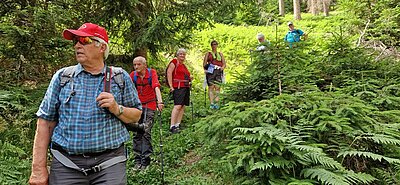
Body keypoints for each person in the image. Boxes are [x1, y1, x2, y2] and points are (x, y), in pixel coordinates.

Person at [29, 23, 142, 185]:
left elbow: (136, 115)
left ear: (102, 47)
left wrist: (117, 108)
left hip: (110, 164)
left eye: (84, 40)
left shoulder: (120, 77)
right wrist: (38, 169)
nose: (77, 45)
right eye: (75, 40)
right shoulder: (62, 77)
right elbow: (45, 122)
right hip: (66, 165)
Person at [129, 56, 163, 170]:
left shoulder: (151, 73)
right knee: (137, 133)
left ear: (144, 65)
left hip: (150, 105)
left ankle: (146, 161)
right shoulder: (133, 75)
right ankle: (137, 160)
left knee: (146, 132)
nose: (136, 67)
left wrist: (160, 102)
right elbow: (127, 89)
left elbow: (156, 87)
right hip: (137, 107)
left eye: (138, 64)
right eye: (135, 65)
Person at [166, 48, 191, 133]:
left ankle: (177, 124)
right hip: (178, 87)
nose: (182, 55)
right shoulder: (174, 62)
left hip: (185, 87)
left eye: (184, 54)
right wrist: (171, 86)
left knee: (182, 106)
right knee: (177, 105)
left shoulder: (183, 65)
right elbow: (169, 73)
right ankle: (172, 126)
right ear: (177, 55)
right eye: (180, 54)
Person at [203, 40, 226, 109]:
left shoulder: (220, 54)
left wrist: (222, 68)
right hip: (210, 70)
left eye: (215, 44)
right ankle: (212, 103)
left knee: (218, 87)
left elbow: (224, 63)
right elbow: (204, 63)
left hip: (218, 71)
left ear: (217, 45)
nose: (214, 45)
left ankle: (216, 103)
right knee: (211, 87)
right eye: (213, 44)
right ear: (211, 45)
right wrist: (205, 70)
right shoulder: (208, 53)